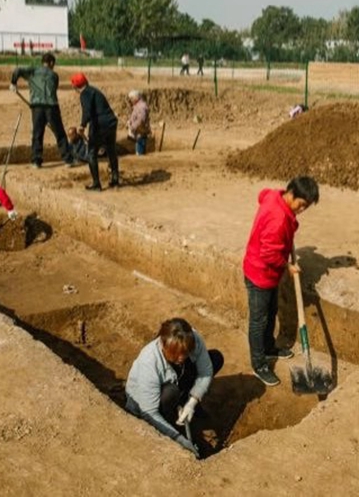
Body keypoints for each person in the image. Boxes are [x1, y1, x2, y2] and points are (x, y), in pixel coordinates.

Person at [243, 176, 320, 386]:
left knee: (271, 311)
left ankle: (269, 348)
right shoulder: (278, 219)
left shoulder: (274, 196)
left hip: (268, 276)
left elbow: (262, 195)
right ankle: (259, 364)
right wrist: (288, 266)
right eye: (301, 205)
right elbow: (269, 254)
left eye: (306, 207)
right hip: (259, 274)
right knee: (259, 321)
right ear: (292, 194)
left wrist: (290, 221)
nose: (302, 209)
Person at [125, 318, 224, 459]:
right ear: (164, 346)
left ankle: (184, 401)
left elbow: (206, 372)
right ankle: (169, 418)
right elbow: (149, 412)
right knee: (171, 392)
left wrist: (192, 402)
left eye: (185, 352)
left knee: (215, 358)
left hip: (177, 379)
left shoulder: (193, 339)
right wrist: (179, 439)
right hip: (147, 404)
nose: (181, 357)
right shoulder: (149, 361)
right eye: (176, 354)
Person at [10, 52, 75, 169]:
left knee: (37, 134)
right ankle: (68, 160)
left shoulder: (33, 71)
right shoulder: (54, 75)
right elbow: (53, 88)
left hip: (37, 107)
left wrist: (13, 83)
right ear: (51, 63)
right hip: (52, 107)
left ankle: (36, 161)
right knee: (59, 133)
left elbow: (17, 70)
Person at [71, 72, 119, 191]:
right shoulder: (95, 91)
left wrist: (82, 125)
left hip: (99, 124)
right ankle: (115, 180)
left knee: (92, 152)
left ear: (75, 87)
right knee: (111, 150)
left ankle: (96, 184)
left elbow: (87, 111)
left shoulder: (84, 94)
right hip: (111, 121)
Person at [126, 90, 151, 156]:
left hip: (141, 133)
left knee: (140, 154)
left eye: (131, 98)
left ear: (135, 98)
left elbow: (141, 120)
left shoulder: (141, 107)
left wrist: (132, 127)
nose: (130, 100)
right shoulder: (138, 106)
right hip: (139, 133)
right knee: (139, 152)